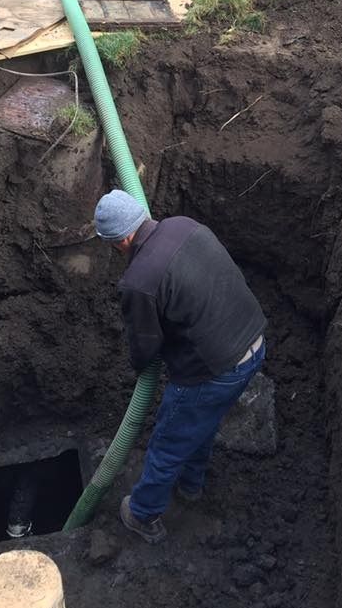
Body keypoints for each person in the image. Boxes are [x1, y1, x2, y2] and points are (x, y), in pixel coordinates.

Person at [94, 189, 267, 545]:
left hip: (215, 369)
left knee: (168, 441)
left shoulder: (139, 281)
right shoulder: (185, 225)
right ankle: (191, 484)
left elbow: (144, 347)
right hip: (254, 342)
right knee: (200, 421)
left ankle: (143, 514)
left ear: (122, 239)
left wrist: (140, 367)